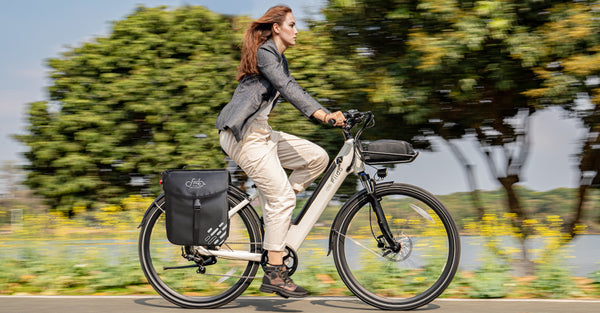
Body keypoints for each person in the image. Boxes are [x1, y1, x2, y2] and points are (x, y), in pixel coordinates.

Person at [215, 5, 345, 298]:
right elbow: (288, 88)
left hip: (262, 133)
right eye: (292, 25)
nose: (297, 30)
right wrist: (323, 115)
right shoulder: (266, 53)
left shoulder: (278, 59)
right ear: (277, 28)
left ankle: (273, 206)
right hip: (243, 135)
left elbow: (287, 86)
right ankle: (274, 273)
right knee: (283, 197)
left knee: (317, 158)